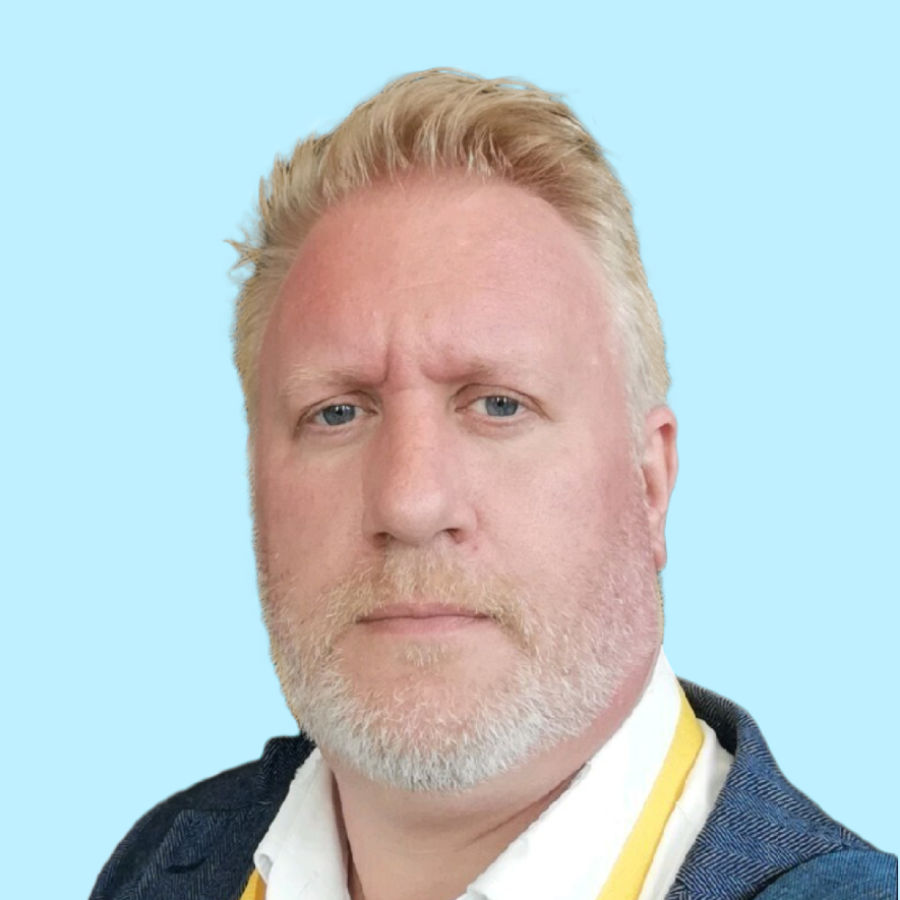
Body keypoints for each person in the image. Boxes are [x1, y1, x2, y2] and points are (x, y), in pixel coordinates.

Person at [90, 69, 897, 900]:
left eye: (499, 404)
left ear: (649, 483)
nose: (409, 503)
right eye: (337, 413)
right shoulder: (160, 865)